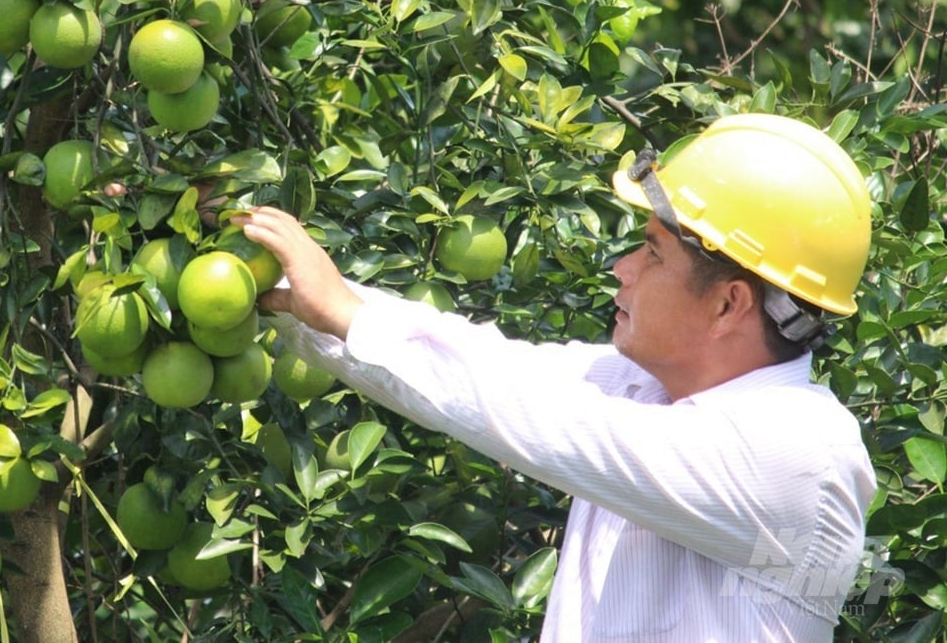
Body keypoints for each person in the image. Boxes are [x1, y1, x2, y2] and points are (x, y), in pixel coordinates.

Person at [236, 113, 876, 642]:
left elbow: (534, 417)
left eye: (653, 253)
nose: (623, 268)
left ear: (728, 305)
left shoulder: (797, 454)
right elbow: (482, 365)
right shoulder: (643, 388)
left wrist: (347, 314)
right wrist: (266, 272)